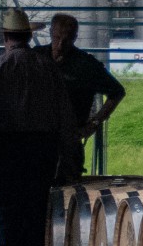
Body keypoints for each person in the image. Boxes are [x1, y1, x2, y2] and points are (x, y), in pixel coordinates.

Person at [0, 8, 76, 246]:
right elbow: (65, 118)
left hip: (6, 152)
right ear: (30, 36)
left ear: (5, 37)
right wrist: (69, 160)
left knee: (6, 222)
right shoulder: (48, 69)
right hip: (42, 152)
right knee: (34, 222)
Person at [46, 13, 126, 181]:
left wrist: (94, 123)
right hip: (39, 142)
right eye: (57, 37)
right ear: (50, 32)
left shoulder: (86, 65)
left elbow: (117, 92)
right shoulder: (37, 57)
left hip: (68, 143)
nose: (60, 45)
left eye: (66, 40)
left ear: (75, 38)